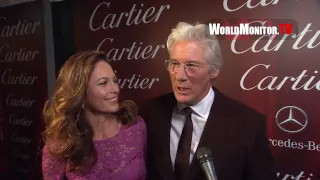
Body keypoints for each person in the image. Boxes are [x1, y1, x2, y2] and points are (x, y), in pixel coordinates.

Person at [141, 22, 277, 180]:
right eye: (175, 64)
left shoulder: (248, 124)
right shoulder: (150, 112)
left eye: (191, 65)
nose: (179, 76)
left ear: (213, 70)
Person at [41, 51, 146, 180]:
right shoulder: (60, 145)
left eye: (115, 81)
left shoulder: (134, 126)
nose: (115, 89)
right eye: (103, 83)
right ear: (81, 92)